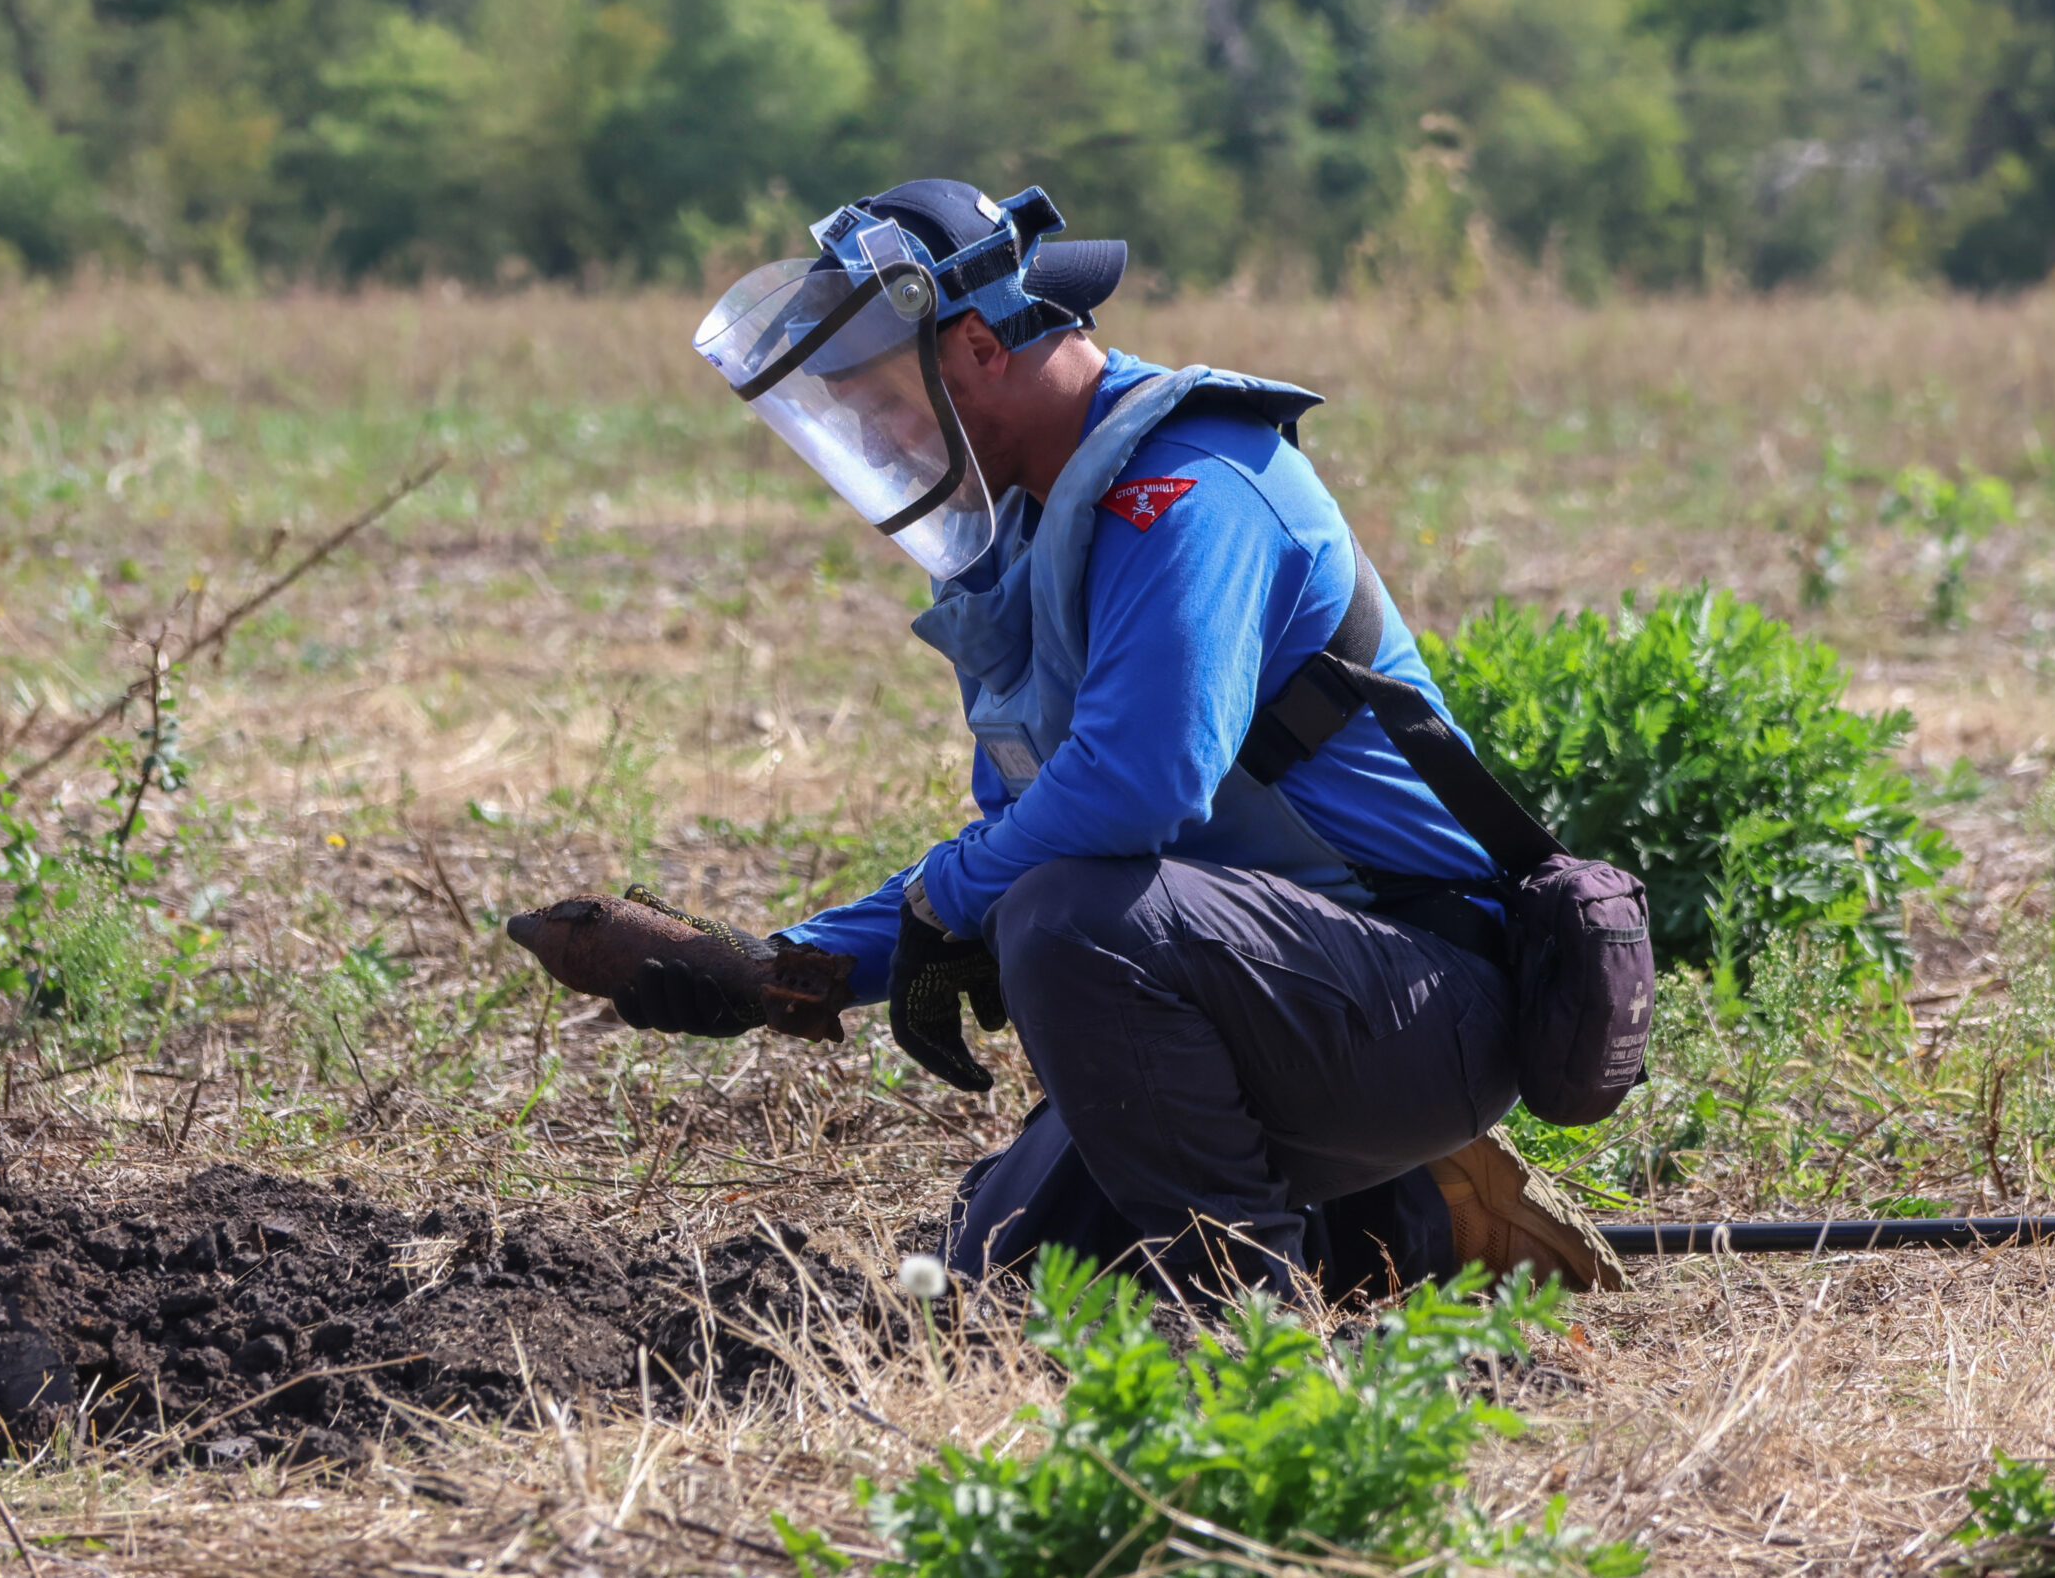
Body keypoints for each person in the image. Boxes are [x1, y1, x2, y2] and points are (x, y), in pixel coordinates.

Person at [619, 178, 1619, 1299]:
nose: (883, 440)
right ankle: (1413, 1220)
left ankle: (1243, 1314)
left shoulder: (1192, 485)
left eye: (888, 402)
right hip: (1278, 984)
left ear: (981, 344)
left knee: (1067, 918)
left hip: (1422, 1000)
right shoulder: (1036, 526)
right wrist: (785, 968)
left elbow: (1138, 787)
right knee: (997, 1276)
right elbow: (1018, 832)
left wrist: (946, 900)